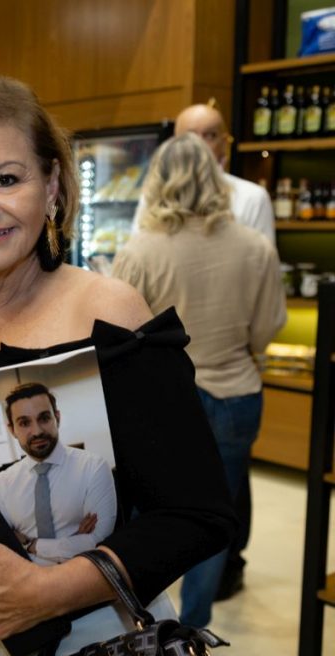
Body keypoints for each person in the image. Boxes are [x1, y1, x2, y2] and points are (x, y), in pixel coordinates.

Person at [0, 75, 236, 656]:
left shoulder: (110, 317)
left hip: (95, 655)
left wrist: (45, 593)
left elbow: (196, 513)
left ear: (51, 185)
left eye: (6, 179)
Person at [112, 132, 287, 629]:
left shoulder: (140, 252)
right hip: (237, 394)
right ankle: (193, 630)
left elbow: (119, 338)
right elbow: (268, 327)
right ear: (216, 179)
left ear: (157, 182)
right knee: (216, 519)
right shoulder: (256, 248)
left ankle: (140, 625)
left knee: (144, 516)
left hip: (164, 402)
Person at [0, 383, 116, 566]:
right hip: (26, 582)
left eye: (44, 418)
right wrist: (73, 543)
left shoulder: (93, 468)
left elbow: (99, 542)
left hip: (84, 579)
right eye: (24, 423)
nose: (37, 431)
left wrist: (29, 544)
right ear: (12, 430)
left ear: (57, 418)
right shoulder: (0, 485)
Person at [133, 103, 276, 244]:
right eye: (190, 136)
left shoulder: (252, 197)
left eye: (210, 136)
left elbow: (263, 257)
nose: (199, 145)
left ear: (224, 143)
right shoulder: (155, 194)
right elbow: (138, 246)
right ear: (175, 143)